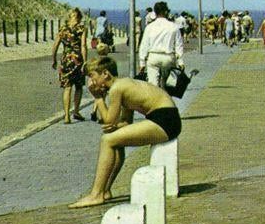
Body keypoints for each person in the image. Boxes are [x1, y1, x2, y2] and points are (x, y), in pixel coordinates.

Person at [68, 56, 181, 209]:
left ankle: (96, 194)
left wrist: (98, 99)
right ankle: (105, 190)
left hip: (165, 120)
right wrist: (115, 126)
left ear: (105, 74)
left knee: (107, 140)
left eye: (92, 76)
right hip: (167, 118)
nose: (91, 83)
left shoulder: (117, 89)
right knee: (115, 138)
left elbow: (108, 121)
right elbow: (126, 121)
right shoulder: (124, 84)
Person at [52, 8, 88, 124]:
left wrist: (54, 60)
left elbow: (55, 45)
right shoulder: (82, 28)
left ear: (70, 16)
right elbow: (83, 46)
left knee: (67, 87)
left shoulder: (63, 29)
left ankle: (67, 115)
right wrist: (85, 62)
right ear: (79, 17)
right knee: (78, 87)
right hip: (77, 59)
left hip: (66, 59)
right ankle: (76, 111)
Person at [137, 1, 185, 90]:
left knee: (153, 85)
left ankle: (154, 101)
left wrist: (142, 63)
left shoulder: (149, 27)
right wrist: (181, 62)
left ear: (155, 12)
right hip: (168, 57)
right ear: (166, 12)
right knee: (167, 85)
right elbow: (179, 46)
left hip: (153, 56)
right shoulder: (174, 27)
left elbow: (144, 46)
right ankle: (165, 99)